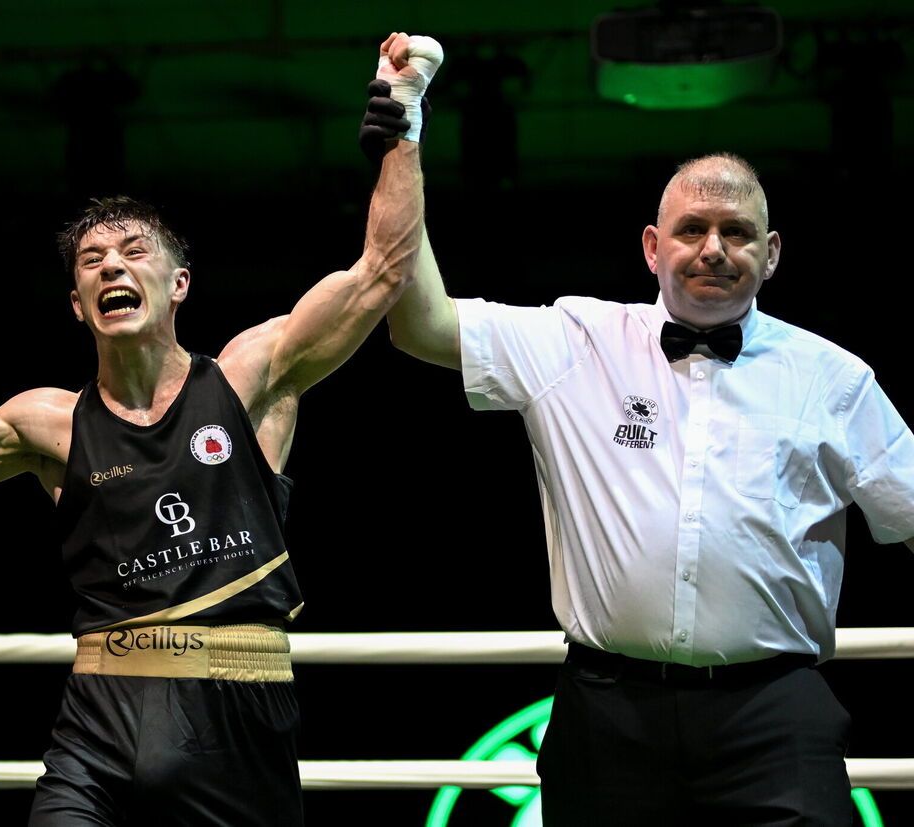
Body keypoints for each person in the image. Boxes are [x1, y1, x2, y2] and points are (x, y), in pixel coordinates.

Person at [0, 33, 439, 827]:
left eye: (133, 251)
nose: (112, 266)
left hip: (236, 715)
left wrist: (403, 117)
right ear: (78, 305)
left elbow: (383, 270)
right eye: (91, 260)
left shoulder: (252, 377)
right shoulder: (46, 423)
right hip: (99, 723)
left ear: (178, 283)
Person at [366, 87, 913, 824]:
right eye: (692, 229)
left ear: (772, 252)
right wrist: (405, 140)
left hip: (776, 716)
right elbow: (418, 322)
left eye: (737, 232)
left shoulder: (836, 379)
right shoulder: (575, 340)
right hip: (608, 713)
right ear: (653, 246)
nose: (714, 248)